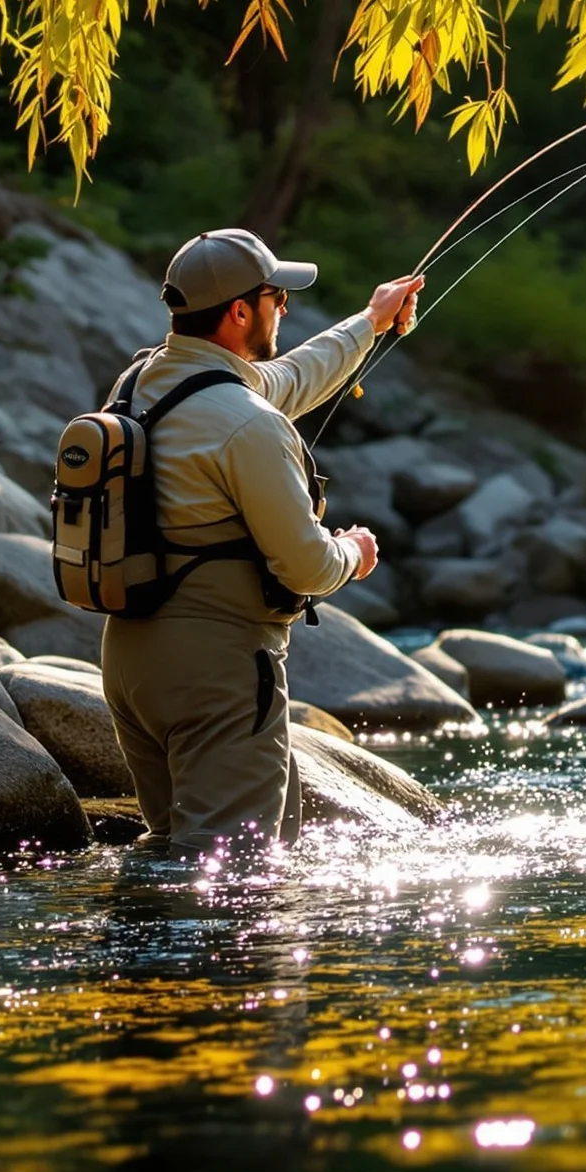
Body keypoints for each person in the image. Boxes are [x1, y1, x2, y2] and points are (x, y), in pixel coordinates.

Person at [98, 227, 422, 854]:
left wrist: (370, 322)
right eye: (278, 297)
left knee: (173, 854)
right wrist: (353, 554)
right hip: (216, 670)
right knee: (230, 883)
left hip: (131, 662)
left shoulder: (142, 384)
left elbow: (289, 378)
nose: (285, 309)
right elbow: (303, 565)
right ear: (241, 310)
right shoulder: (247, 422)